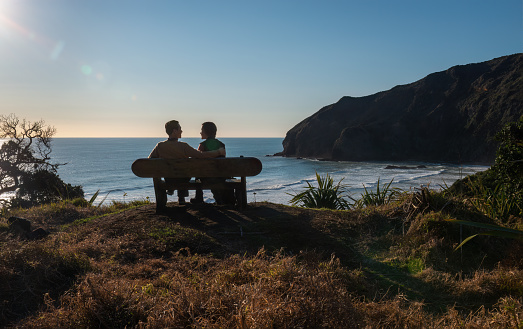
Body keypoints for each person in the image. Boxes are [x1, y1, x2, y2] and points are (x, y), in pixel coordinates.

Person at [148, 120, 224, 204]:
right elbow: (201, 155)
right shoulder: (184, 146)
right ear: (174, 131)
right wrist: (218, 152)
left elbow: (150, 160)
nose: (181, 130)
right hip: (183, 179)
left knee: (178, 172)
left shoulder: (160, 146)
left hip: (169, 179)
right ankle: (181, 198)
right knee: (184, 173)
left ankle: (172, 191)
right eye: (180, 128)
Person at [191, 122, 235, 205]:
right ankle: (221, 199)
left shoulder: (202, 145)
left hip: (205, 177)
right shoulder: (221, 145)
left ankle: (199, 197)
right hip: (220, 176)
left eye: (202, 130)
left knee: (198, 171)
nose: (200, 132)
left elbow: (197, 161)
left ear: (206, 131)